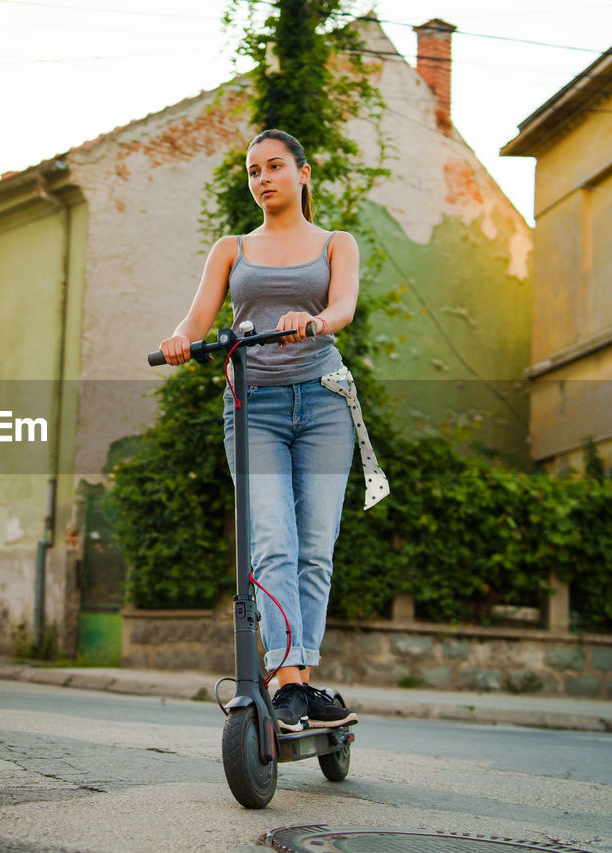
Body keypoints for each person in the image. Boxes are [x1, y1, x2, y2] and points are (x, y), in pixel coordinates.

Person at [158, 129, 388, 731]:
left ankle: (298, 680)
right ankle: (287, 678)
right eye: (253, 171)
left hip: (324, 402)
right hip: (253, 404)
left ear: (303, 173)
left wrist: (312, 323)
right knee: (272, 543)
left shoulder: (337, 243)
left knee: (315, 546)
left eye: (275, 166)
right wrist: (181, 339)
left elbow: (343, 308)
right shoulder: (231, 248)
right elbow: (199, 315)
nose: (263, 179)